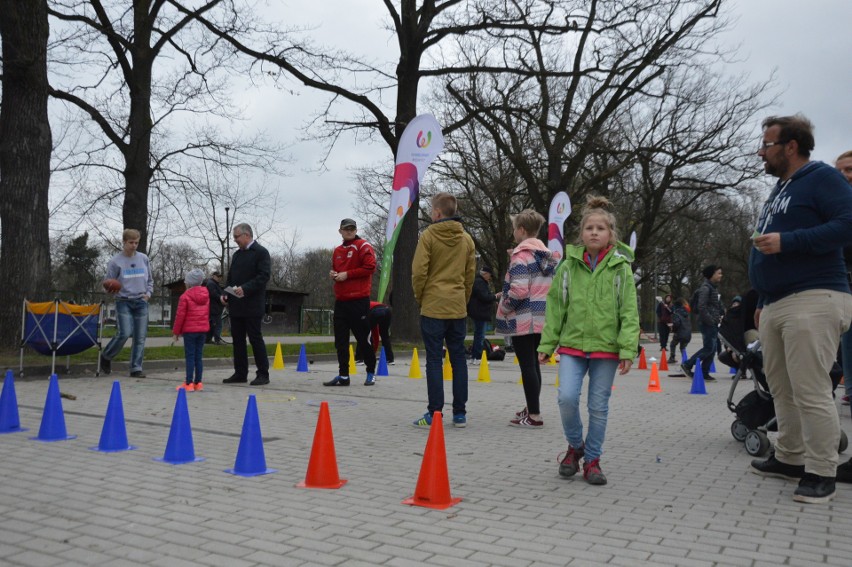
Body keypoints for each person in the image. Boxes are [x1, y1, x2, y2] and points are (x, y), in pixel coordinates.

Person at [748, 116, 852, 504]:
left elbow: (848, 224)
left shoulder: (824, 178)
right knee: (781, 388)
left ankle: (822, 471)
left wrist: (789, 242)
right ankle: (790, 457)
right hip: (776, 302)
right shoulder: (781, 188)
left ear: (790, 146)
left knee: (810, 390)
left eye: (767, 143)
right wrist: (762, 299)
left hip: (815, 296)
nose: (762, 150)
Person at [538, 195, 639, 485]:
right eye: (589, 228)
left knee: (598, 406)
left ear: (611, 234)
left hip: (606, 349)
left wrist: (627, 349)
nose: (594, 232)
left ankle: (592, 459)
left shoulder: (620, 269)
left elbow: (629, 311)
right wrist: (547, 345)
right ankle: (575, 446)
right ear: (581, 233)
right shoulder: (568, 266)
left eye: (601, 228)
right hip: (571, 346)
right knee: (566, 398)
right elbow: (556, 307)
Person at [411, 192, 476, 428]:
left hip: (433, 306)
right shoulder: (467, 240)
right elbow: (470, 277)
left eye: (431, 210)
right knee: (458, 359)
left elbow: (419, 273)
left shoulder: (428, 236)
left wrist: (422, 297)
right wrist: (463, 299)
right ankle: (460, 414)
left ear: (437, 213)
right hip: (457, 306)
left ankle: (434, 413)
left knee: (434, 361)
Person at [495, 209, 556, 428]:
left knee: (528, 366)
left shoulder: (521, 257)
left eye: (514, 229)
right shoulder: (547, 257)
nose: (513, 233)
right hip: (542, 317)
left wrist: (504, 305)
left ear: (521, 230)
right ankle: (532, 408)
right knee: (534, 366)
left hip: (522, 318)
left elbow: (519, 291)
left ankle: (535, 415)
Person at [324, 218, 378, 387]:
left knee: (363, 339)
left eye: (352, 229)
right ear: (340, 231)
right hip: (341, 301)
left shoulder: (363, 246)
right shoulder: (337, 250)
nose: (349, 231)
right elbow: (337, 270)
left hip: (358, 300)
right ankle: (344, 375)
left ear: (355, 230)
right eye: (346, 229)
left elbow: (370, 267)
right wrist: (334, 274)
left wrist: (347, 274)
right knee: (340, 341)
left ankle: (370, 372)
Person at [99, 228, 154, 378]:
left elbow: (150, 280)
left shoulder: (144, 259)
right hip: (123, 301)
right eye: (131, 242)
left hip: (141, 301)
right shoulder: (115, 261)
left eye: (136, 242)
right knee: (124, 333)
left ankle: (136, 368)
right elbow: (107, 282)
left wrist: (148, 295)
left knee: (140, 337)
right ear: (124, 242)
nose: (134, 245)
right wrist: (110, 289)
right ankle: (106, 356)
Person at [222, 223, 271, 386]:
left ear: (247, 235)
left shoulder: (261, 252)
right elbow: (231, 278)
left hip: (252, 305)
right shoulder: (236, 255)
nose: (235, 240)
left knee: (255, 339)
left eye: (237, 237)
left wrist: (246, 289)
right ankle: (240, 373)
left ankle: (263, 373)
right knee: (238, 340)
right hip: (236, 306)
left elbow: (263, 276)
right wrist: (226, 293)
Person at [680, 265, 723, 381]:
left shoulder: (713, 288)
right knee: (709, 348)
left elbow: (714, 306)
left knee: (712, 349)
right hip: (707, 323)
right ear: (712, 274)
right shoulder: (706, 288)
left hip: (712, 322)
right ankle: (688, 364)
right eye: (719, 273)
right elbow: (702, 307)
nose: (721, 275)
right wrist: (711, 320)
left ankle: (704, 372)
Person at [173, 268, 210, 391]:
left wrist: (176, 332)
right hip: (202, 330)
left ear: (188, 283)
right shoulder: (206, 295)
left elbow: (180, 316)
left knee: (190, 356)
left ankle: (188, 383)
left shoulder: (185, 296)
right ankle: (198, 383)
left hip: (189, 331)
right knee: (198, 357)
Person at [835, 150, 852, 406]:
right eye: (839, 171)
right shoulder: (832, 204)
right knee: (847, 337)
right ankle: (850, 386)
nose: (844, 175)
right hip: (841, 281)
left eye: (849, 170)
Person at [467, 265, 500, 363]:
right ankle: (478, 357)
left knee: (478, 335)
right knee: (480, 336)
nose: (490, 278)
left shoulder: (478, 282)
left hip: (478, 312)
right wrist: (495, 296)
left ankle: (474, 357)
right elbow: (484, 297)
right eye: (489, 275)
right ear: (485, 274)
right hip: (480, 312)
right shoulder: (480, 283)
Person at [356, 301, 395, 365]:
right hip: (387, 310)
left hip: (376, 311)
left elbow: (374, 334)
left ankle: (359, 358)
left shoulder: (360, 309)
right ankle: (390, 359)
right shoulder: (365, 305)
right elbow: (376, 336)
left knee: (364, 334)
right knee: (385, 335)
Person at [668, 297, 692, 364]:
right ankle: (685, 359)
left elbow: (676, 323)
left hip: (679, 333)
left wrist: (673, 329)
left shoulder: (676, 313)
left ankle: (672, 357)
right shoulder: (686, 313)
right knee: (683, 347)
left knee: (673, 344)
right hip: (687, 333)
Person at [205, 270, 226, 344]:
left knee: (212, 325)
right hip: (214, 308)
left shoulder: (216, 284)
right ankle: (217, 340)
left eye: (220, 277)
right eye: (218, 276)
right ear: (213, 276)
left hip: (216, 308)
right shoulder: (211, 284)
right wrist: (222, 297)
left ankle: (207, 340)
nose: (219, 278)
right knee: (217, 325)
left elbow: (219, 293)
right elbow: (214, 294)